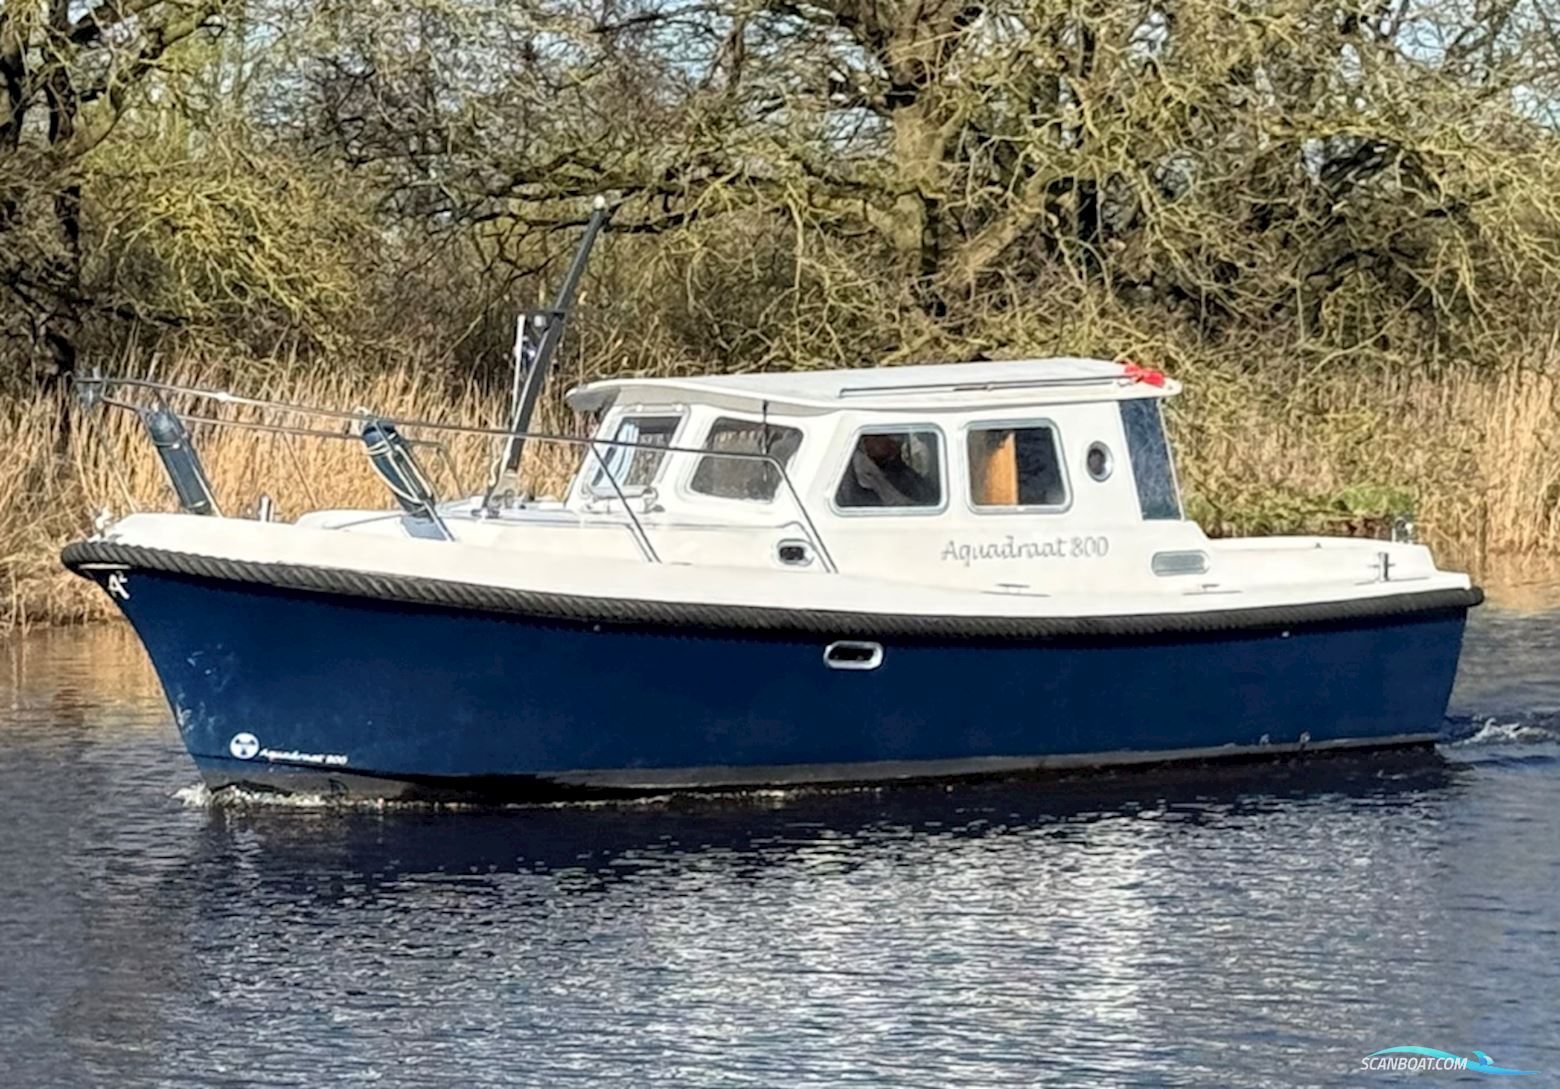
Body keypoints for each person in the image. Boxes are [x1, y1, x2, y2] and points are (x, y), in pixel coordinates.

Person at [838, 433, 938, 507]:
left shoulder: (893, 466)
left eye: (898, 440)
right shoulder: (855, 468)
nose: (894, 444)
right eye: (888, 438)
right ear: (869, 439)